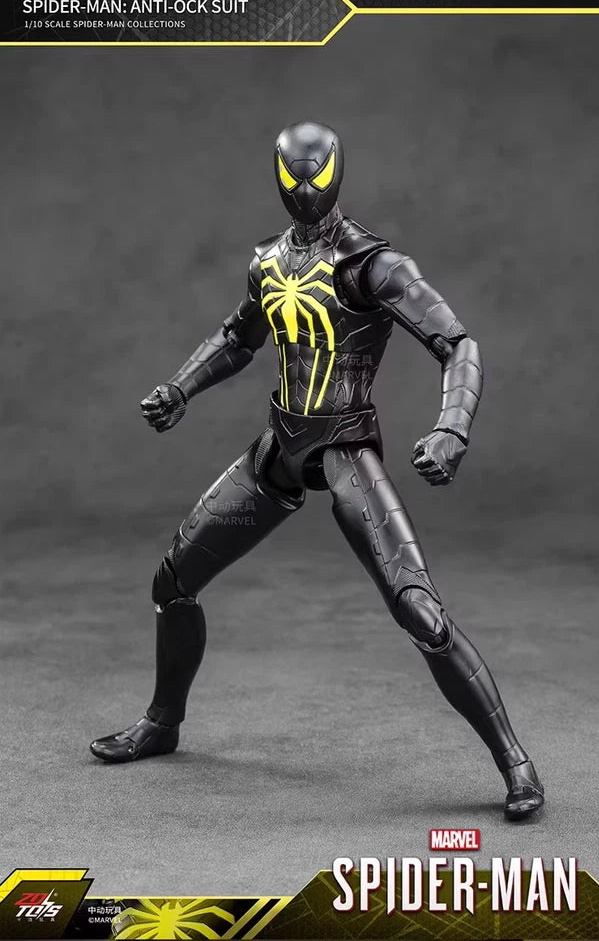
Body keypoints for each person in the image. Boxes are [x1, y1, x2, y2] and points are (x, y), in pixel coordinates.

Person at [91, 121, 544, 821]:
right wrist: (181, 388)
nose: (305, 190)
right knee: (172, 583)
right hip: (280, 446)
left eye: (317, 176)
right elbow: (238, 337)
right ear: (277, 176)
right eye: (293, 177)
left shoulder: (372, 264)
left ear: (336, 173)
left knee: (419, 610)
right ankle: (163, 722)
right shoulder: (268, 261)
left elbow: (458, 344)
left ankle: (515, 762)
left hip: (345, 447)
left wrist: (452, 428)